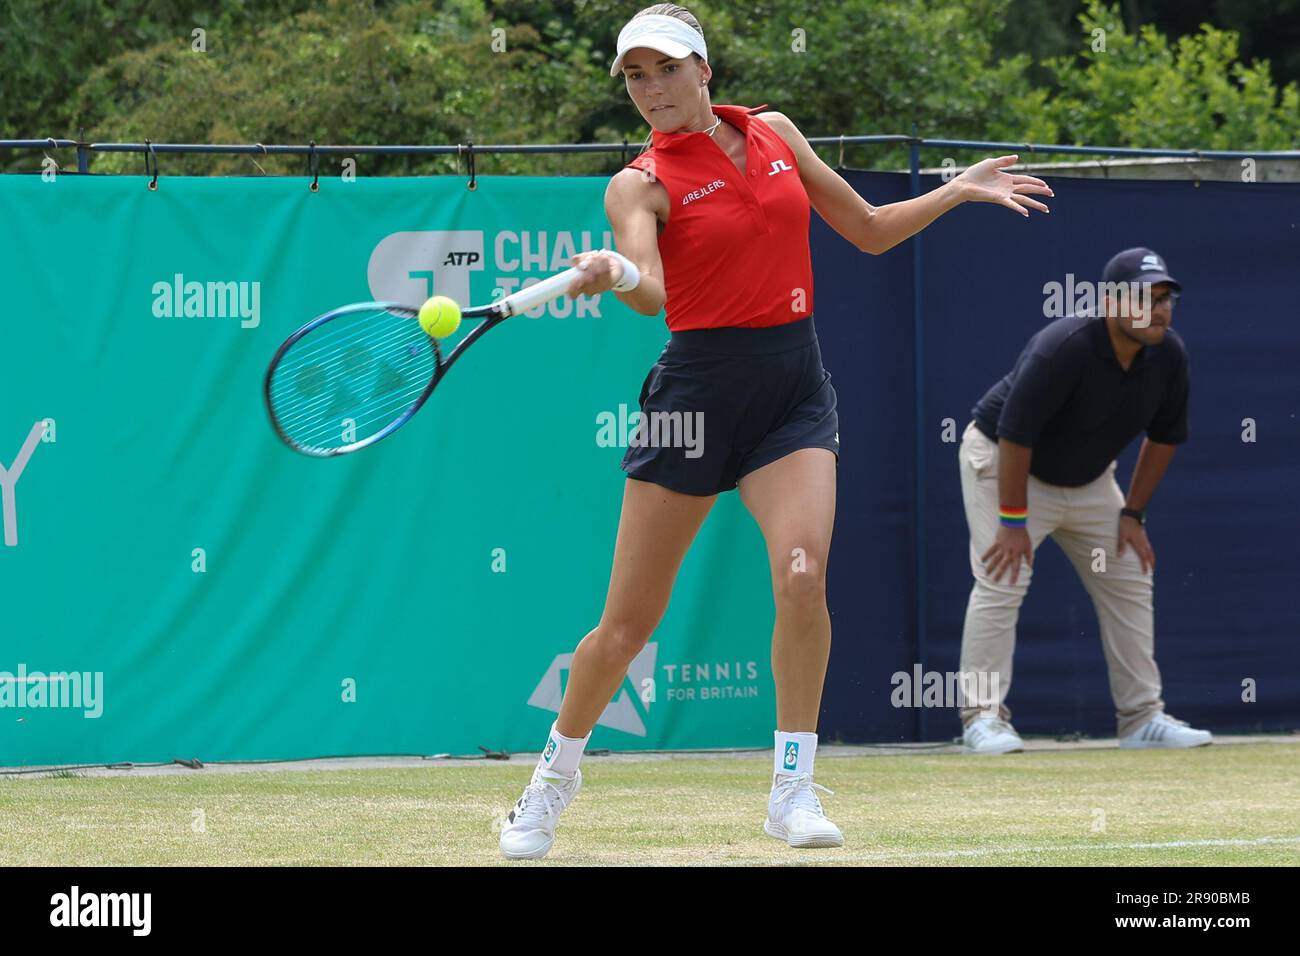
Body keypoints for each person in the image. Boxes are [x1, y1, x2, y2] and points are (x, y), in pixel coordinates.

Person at [499, 2, 1053, 859]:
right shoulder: (637, 184)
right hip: (694, 398)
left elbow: (866, 231)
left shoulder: (773, 133)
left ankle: (792, 788)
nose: (652, 89)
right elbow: (651, 290)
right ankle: (551, 781)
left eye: (667, 69)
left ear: (704, 70)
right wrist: (614, 271)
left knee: (802, 579)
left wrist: (956, 189)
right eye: (637, 76)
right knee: (627, 629)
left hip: (793, 390)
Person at [957, 247, 1213, 754]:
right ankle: (982, 719)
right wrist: (1013, 522)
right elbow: (1014, 435)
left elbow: (1164, 438)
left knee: (1129, 575)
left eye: (1167, 298)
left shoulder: (1170, 355)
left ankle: (1142, 719)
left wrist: (1133, 514)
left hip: (1091, 482)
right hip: (1005, 465)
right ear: (1113, 303)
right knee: (1002, 578)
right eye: (1147, 298)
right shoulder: (1063, 346)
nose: (1159, 309)